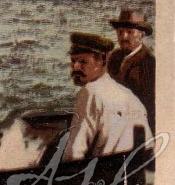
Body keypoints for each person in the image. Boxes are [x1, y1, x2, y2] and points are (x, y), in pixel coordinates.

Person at [63, 32, 149, 161]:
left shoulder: (89, 92)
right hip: (132, 173)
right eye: (73, 61)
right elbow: (149, 148)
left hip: (103, 177)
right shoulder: (129, 95)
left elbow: (73, 154)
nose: (75, 67)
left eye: (83, 62)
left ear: (102, 61)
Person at [107, 9, 155, 134]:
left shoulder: (148, 63)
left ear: (141, 34)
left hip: (136, 130)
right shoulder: (113, 57)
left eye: (129, 32)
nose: (124, 37)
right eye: (120, 32)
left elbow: (150, 109)